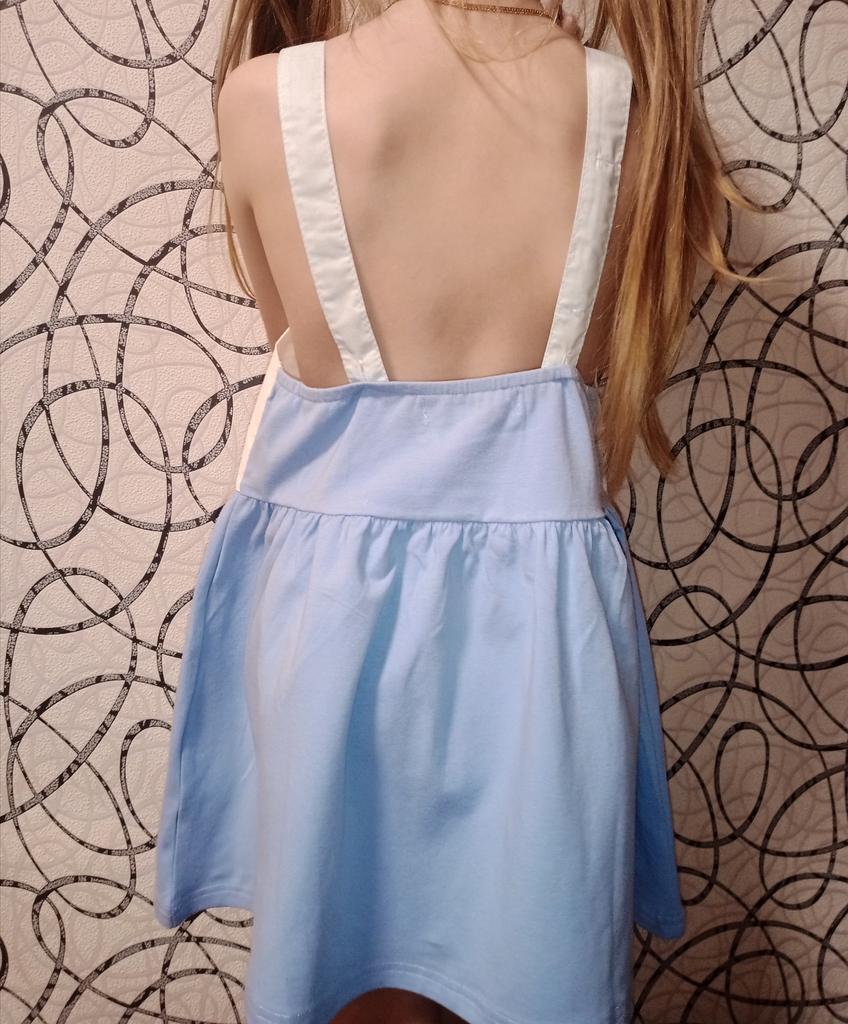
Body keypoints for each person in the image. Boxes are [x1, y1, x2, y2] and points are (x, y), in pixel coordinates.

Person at [154, 1, 759, 1022]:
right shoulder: (633, 116)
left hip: (332, 627)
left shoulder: (263, 101)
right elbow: (601, 358)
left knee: (344, 969)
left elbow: (295, 344)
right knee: (527, 974)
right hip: (543, 646)